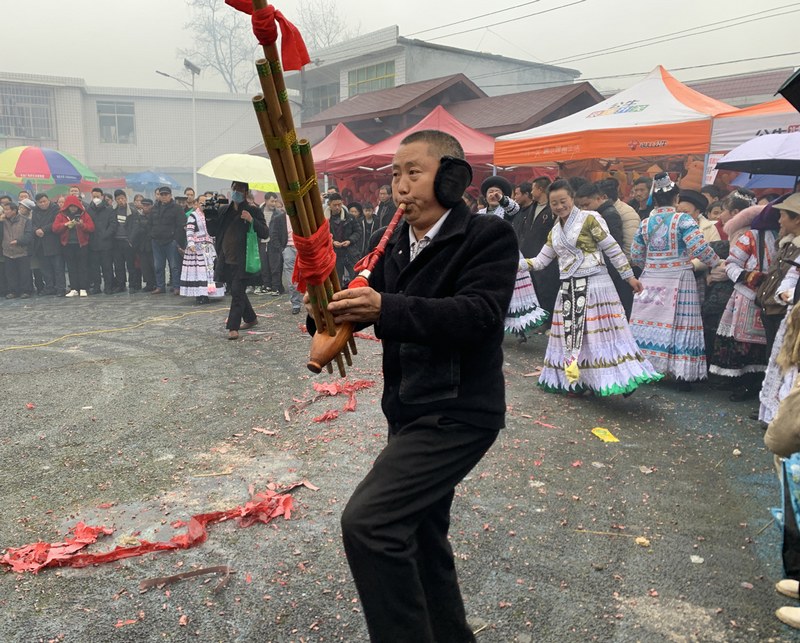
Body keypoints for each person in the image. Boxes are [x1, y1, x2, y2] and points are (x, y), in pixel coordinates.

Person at [306, 129, 517, 643]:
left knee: (370, 524)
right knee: (421, 537)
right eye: (395, 175)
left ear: (452, 178)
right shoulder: (394, 240)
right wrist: (328, 313)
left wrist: (385, 308)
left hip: (459, 413)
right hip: (408, 409)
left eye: (413, 173)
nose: (399, 187)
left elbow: (478, 316)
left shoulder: (486, 237)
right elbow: (366, 303)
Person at [522, 179, 661, 397]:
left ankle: (621, 376)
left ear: (572, 198)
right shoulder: (555, 232)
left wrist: (629, 277)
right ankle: (578, 381)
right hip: (568, 289)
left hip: (596, 286)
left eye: (563, 201)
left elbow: (612, 248)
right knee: (576, 339)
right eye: (554, 203)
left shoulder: (590, 218)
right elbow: (540, 262)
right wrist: (511, 263)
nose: (559, 206)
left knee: (603, 336)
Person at [629, 173, 720, 391]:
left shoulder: (645, 223)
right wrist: (716, 262)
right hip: (679, 277)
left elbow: (636, 255)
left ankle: (644, 368)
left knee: (648, 324)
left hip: (650, 278)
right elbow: (699, 248)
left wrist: (652, 265)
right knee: (680, 325)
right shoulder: (683, 219)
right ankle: (681, 375)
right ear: (676, 198)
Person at [709, 190, 778, 401]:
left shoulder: (788, 240)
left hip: (774, 299)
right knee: (743, 345)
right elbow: (731, 264)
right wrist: (749, 277)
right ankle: (743, 384)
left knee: (767, 344)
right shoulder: (751, 237)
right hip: (747, 296)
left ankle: (759, 385)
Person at [479, 176, 546, 339]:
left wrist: (502, 199)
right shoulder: (480, 214)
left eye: (497, 192)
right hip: (487, 258)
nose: (493, 194)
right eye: (490, 192)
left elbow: (514, 208)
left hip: (506, 256)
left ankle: (519, 329)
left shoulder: (507, 211)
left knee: (511, 294)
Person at [206, 181, 267, 340]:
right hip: (226, 259)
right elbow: (212, 232)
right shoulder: (224, 210)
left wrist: (251, 220)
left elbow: (265, 233)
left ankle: (233, 327)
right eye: (234, 189)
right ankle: (251, 318)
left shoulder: (252, 210)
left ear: (246, 193)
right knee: (236, 290)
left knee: (237, 292)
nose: (236, 192)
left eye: (240, 190)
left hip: (243, 260)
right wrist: (210, 216)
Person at [575, 182, 633, 318]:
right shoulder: (597, 214)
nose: (584, 209)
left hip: (608, 271)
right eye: (581, 206)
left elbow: (612, 247)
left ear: (599, 198)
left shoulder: (609, 215)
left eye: (587, 204)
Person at [179, 202, 225, 304]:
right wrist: (191, 243)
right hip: (197, 248)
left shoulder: (210, 215)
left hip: (209, 247)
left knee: (210, 271)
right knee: (199, 273)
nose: (204, 205)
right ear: (197, 204)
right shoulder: (193, 215)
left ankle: (210, 293)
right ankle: (200, 295)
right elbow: (189, 230)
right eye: (201, 203)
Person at [53, 195, 94, 297]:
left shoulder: (84, 215)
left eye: (75, 206)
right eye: (71, 206)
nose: (73, 208)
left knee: (82, 267)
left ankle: (84, 288)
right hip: (67, 245)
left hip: (82, 244)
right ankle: (74, 288)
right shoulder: (61, 215)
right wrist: (65, 225)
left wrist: (82, 225)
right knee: (71, 268)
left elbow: (91, 227)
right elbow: (55, 228)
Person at [148, 186, 185, 295]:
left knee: (174, 266)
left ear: (170, 195)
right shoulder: (154, 208)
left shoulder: (177, 208)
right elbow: (149, 224)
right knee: (158, 266)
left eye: (166, 194)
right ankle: (160, 286)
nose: (164, 196)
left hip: (170, 242)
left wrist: (175, 240)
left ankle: (177, 286)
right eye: (161, 194)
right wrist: (152, 235)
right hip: (156, 241)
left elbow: (181, 225)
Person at [31, 193, 65, 296]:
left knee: (58, 268)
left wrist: (43, 229)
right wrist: (36, 230)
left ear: (48, 200)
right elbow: (31, 224)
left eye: (44, 201)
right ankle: (49, 287)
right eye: (40, 202)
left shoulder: (56, 209)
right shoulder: (35, 211)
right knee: (45, 268)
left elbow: (55, 223)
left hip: (53, 242)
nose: (42, 204)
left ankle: (60, 288)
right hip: (40, 244)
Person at [87, 187, 116, 294]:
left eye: (97, 197)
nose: (96, 199)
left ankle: (108, 286)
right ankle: (96, 286)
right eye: (94, 196)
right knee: (94, 267)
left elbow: (113, 225)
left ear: (102, 197)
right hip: (93, 243)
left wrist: (105, 235)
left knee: (107, 267)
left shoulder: (109, 209)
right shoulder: (88, 210)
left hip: (106, 244)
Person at [1, 202, 34, 299]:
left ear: (14, 210)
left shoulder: (25, 220)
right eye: (4, 210)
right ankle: (13, 291)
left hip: (22, 251)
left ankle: (25, 291)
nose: (5, 212)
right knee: (10, 273)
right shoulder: (3, 221)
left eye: (7, 210)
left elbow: (29, 235)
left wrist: (18, 241)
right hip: (7, 252)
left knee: (24, 273)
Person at [110, 189, 140, 293]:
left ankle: (132, 285)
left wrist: (130, 240)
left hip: (127, 241)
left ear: (126, 199)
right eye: (118, 199)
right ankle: (121, 284)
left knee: (130, 265)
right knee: (118, 265)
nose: (121, 201)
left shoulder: (132, 211)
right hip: (116, 241)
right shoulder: (112, 211)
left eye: (122, 198)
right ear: (115, 200)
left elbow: (136, 227)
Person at [328, 193, 359, 286]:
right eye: (334, 205)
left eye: (339, 205)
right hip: (334, 253)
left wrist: (350, 240)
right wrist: (332, 242)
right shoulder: (324, 219)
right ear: (329, 204)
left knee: (356, 277)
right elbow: (321, 236)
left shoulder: (350, 217)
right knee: (336, 281)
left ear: (342, 203)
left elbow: (358, 232)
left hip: (350, 252)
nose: (337, 207)